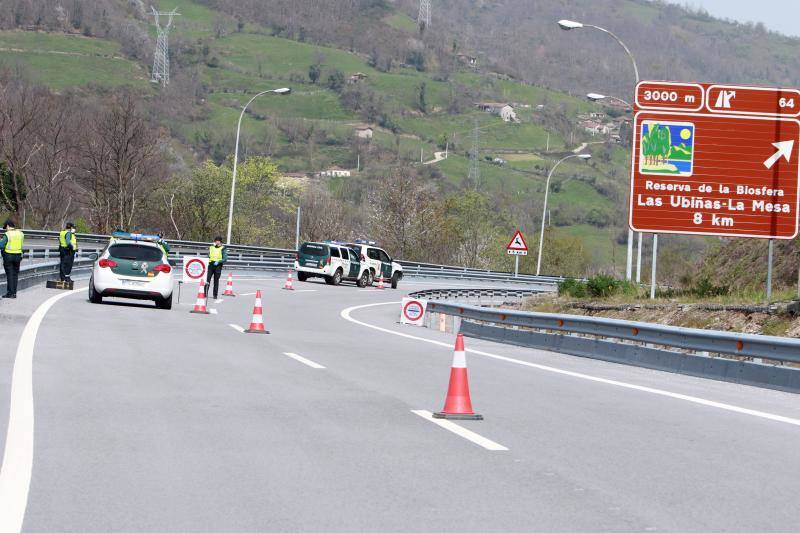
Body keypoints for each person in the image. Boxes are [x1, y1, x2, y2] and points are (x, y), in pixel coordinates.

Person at [0, 220, 24, 298]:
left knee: (10, 274)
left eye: (5, 228)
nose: (6, 229)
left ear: (7, 226)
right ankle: (14, 293)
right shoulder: (21, 234)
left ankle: (10, 293)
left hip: (9, 256)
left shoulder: (8, 234)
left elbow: (1, 245)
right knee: (15, 274)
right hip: (18, 256)